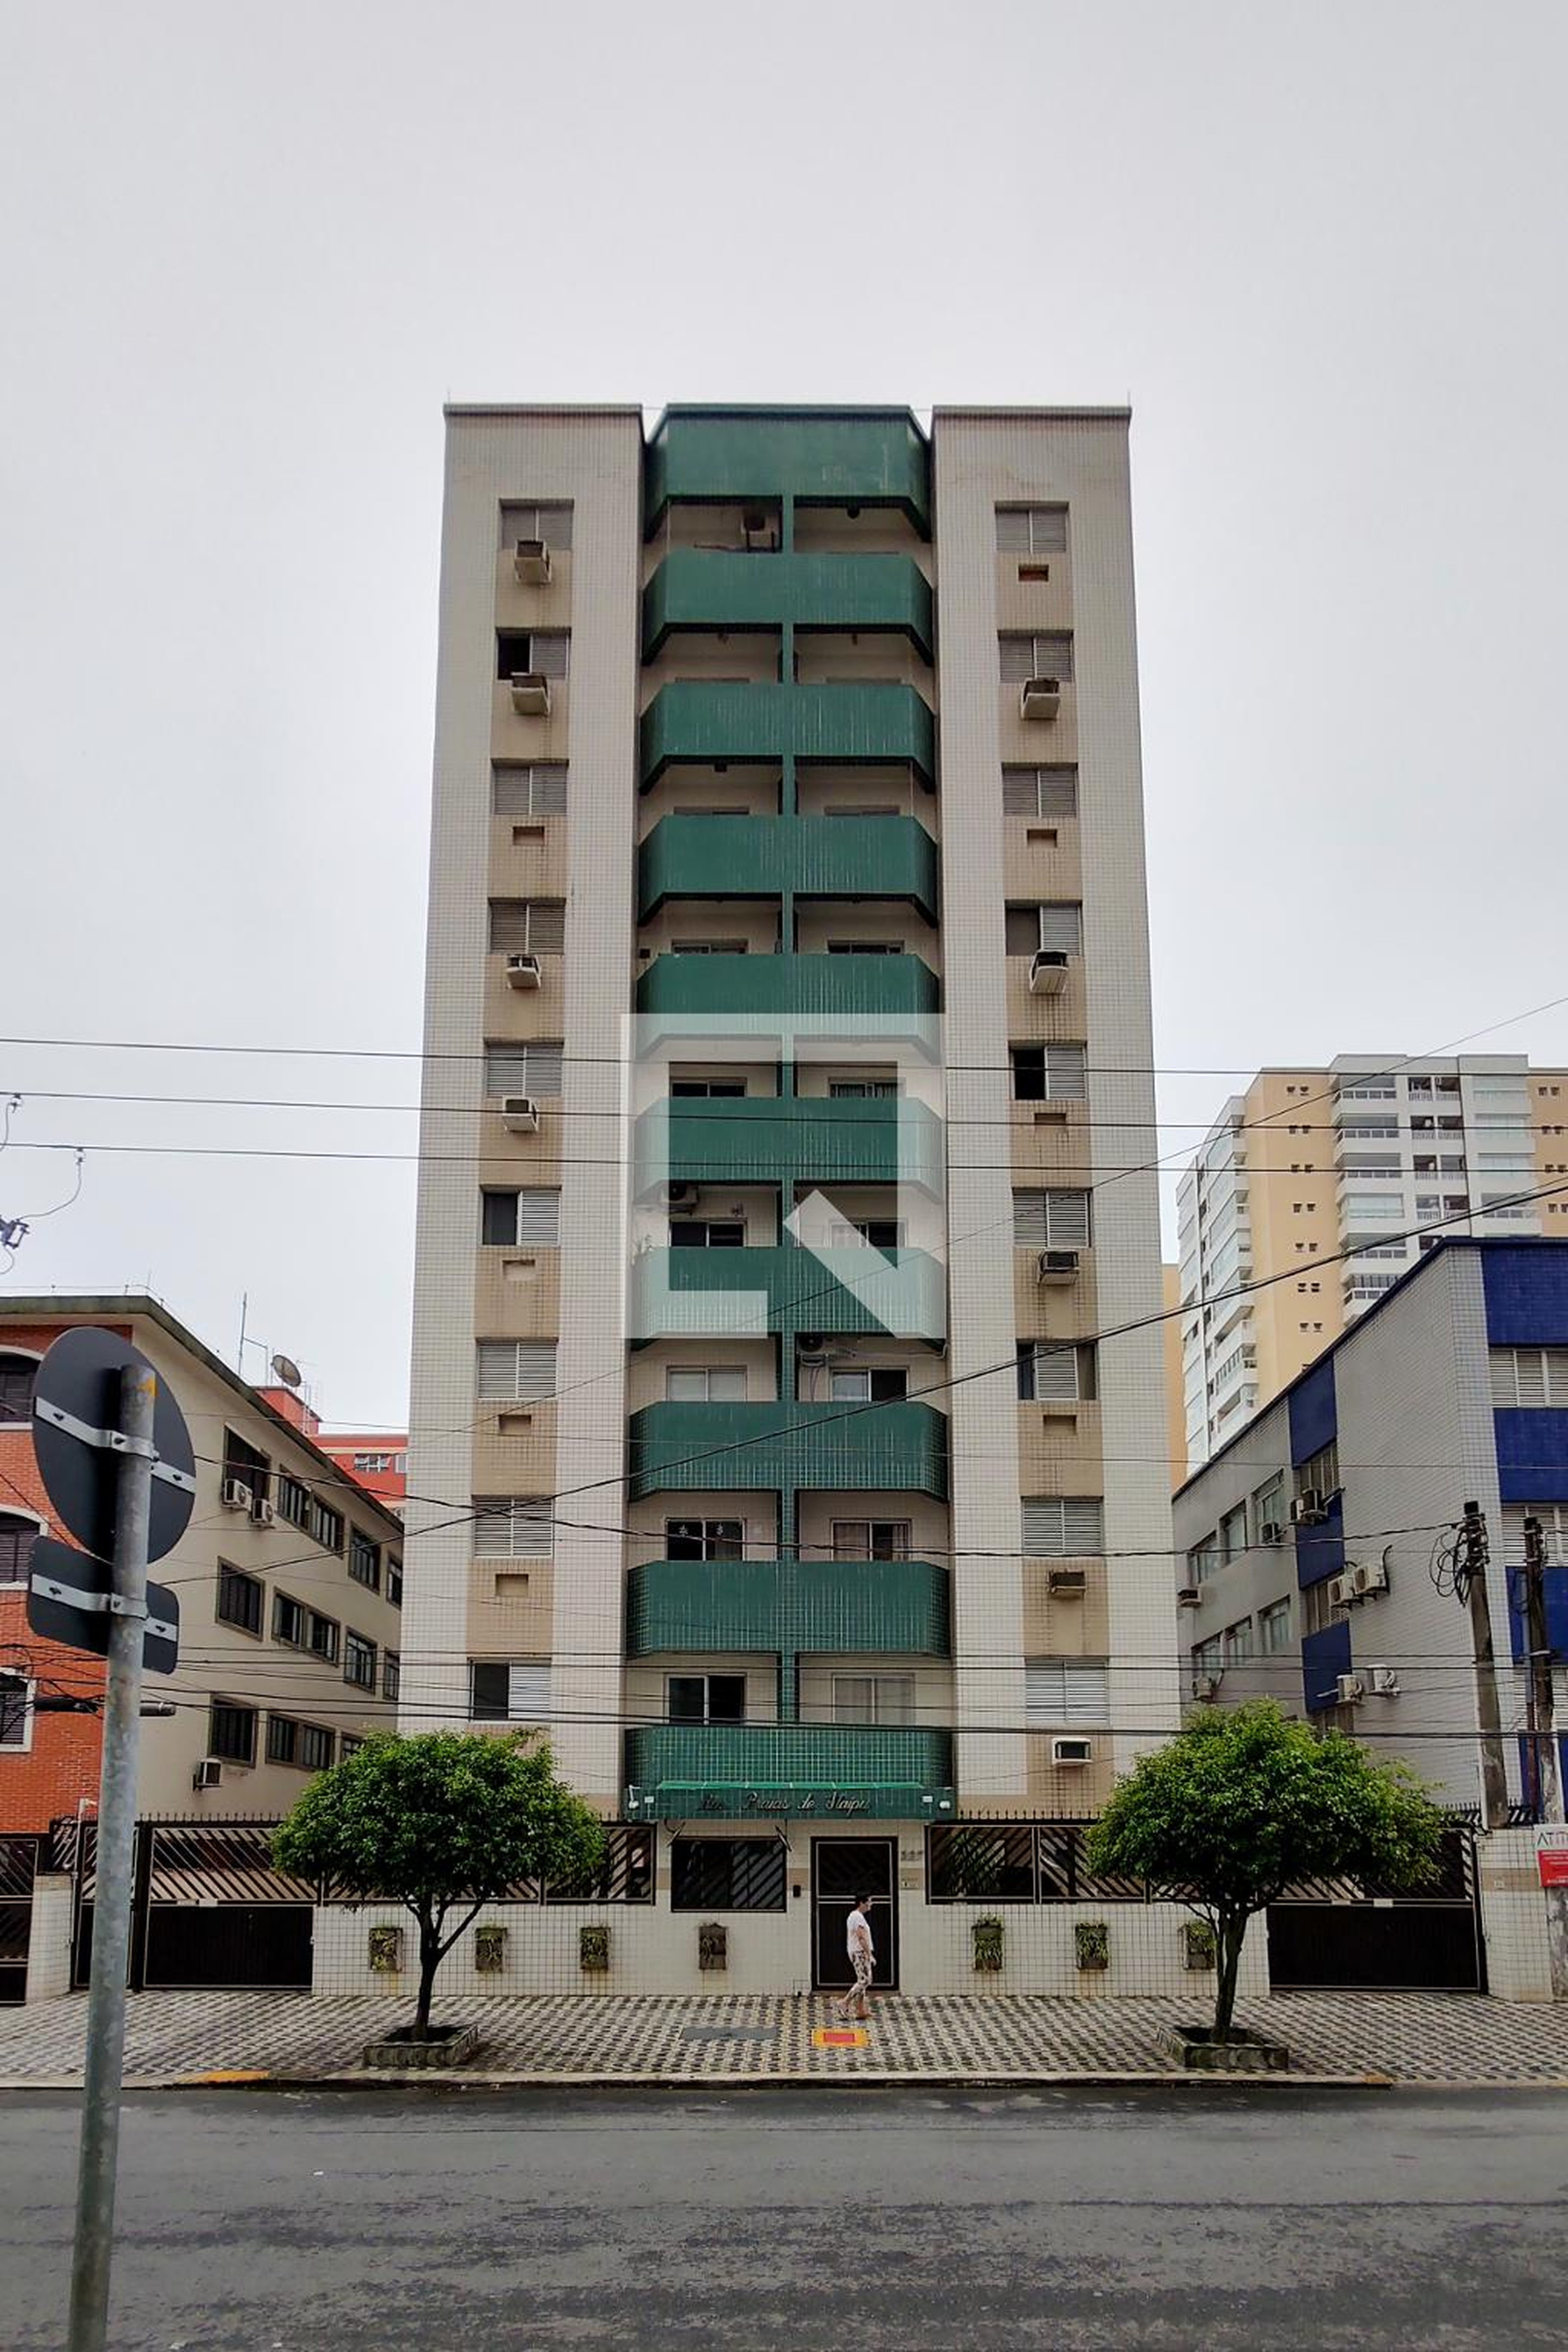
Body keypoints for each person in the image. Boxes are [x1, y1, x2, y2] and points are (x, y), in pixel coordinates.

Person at [835, 1893, 876, 2022]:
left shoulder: (856, 1916)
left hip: (859, 1952)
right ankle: (845, 2003)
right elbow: (861, 1937)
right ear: (862, 1903)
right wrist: (870, 1955)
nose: (871, 1904)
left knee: (863, 1980)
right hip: (860, 1953)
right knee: (864, 1981)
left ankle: (860, 2010)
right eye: (870, 1902)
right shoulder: (858, 1917)